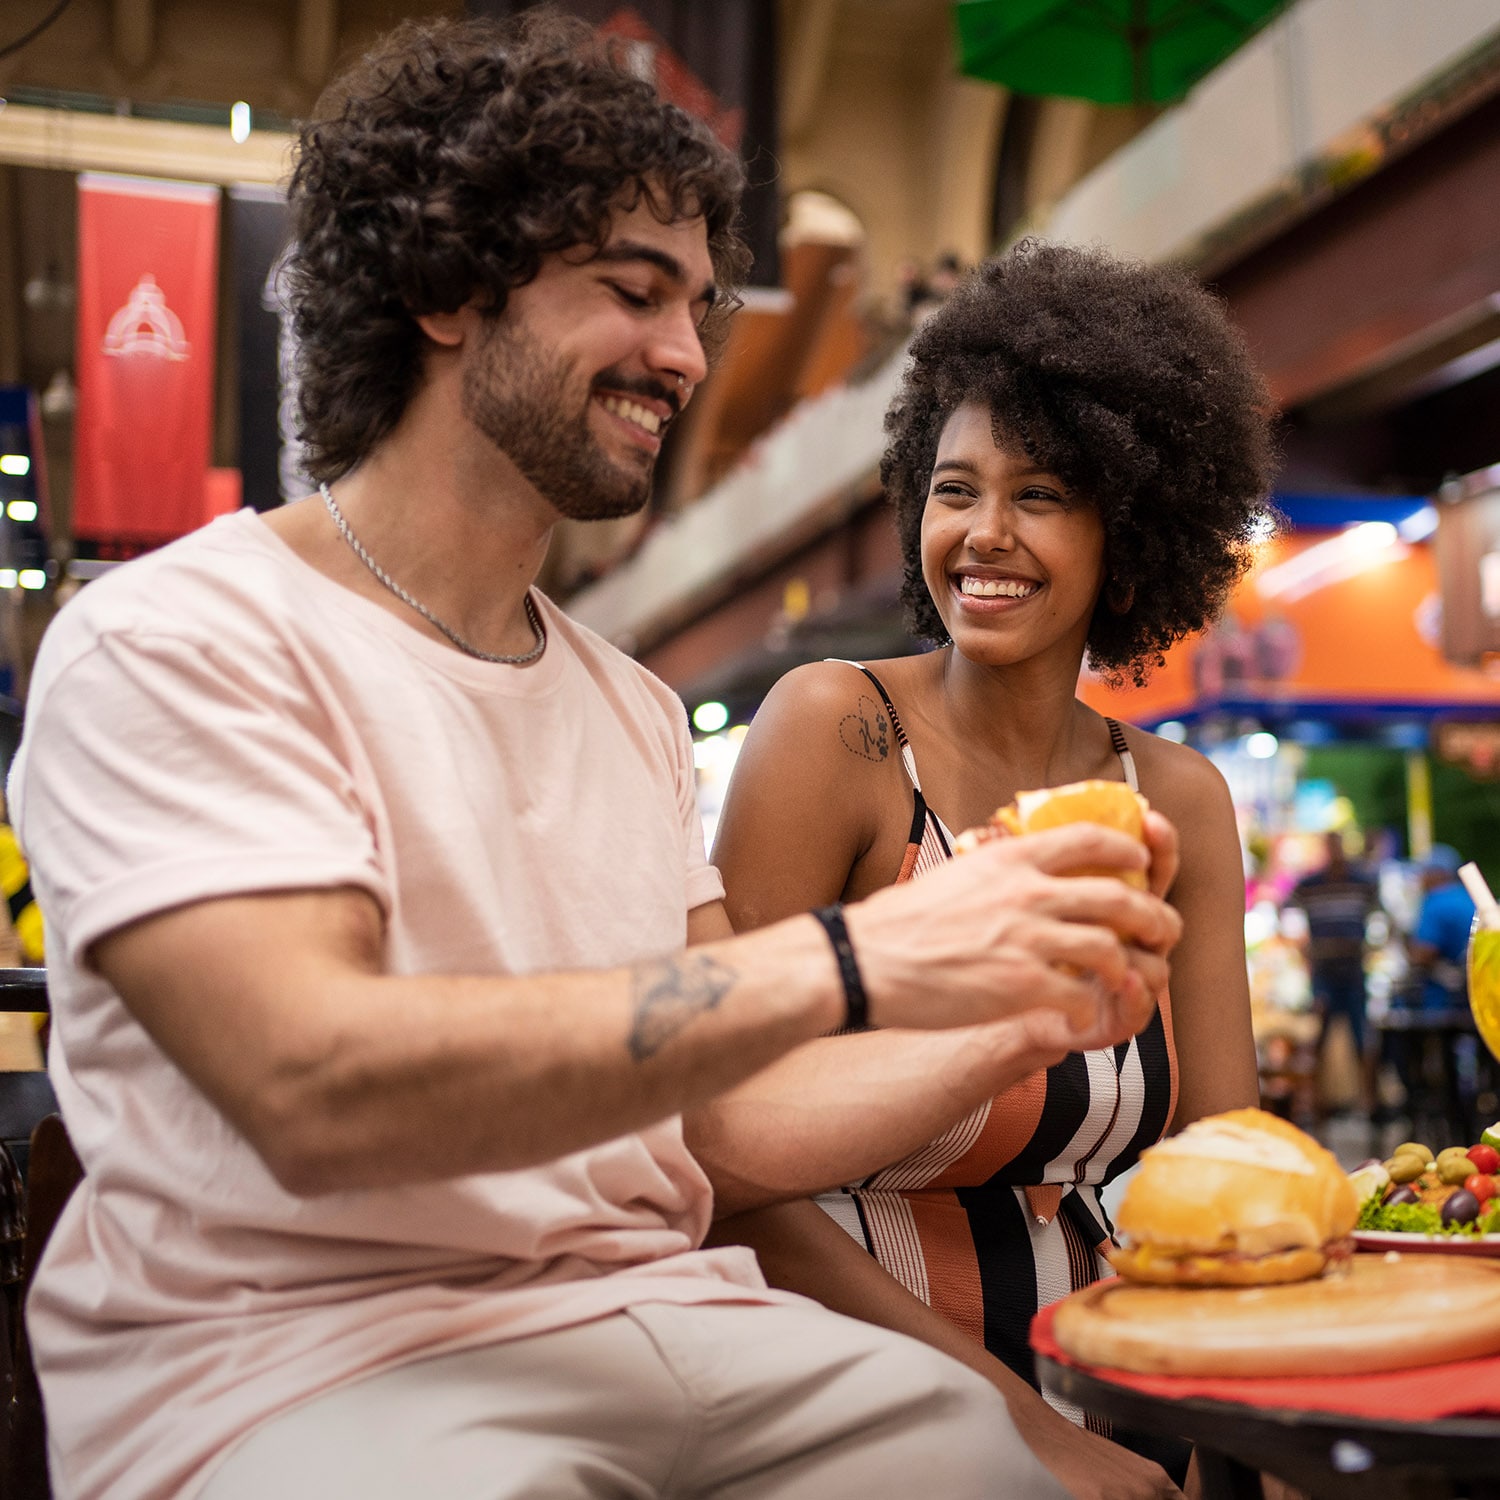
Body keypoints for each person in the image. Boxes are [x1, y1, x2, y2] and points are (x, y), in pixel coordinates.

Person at [8, 20, 1187, 1500]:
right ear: (444, 288)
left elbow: (716, 1130)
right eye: (633, 292)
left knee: (1005, 1475)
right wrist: (864, 956)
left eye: (700, 303)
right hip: (301, 1358)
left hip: (668, 1323)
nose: (688, 355)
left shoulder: (625, 705)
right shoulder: (178, 637)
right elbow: (311, 1081)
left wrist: (1023, 1004)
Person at [688, 243, 1274, 1499]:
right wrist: (1027, 1432)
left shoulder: (1177, 801)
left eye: (1044, 493)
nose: (985, 535)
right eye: (955, 489)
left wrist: (1255, 1422)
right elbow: (727, 1173)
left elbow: (1222, 1153)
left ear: (1133, 526)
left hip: (1124, 1382)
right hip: (853, 1393)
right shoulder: (835, 736)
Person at [1284, 829, 1382, 1111]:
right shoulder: (1309, 885)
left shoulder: (1363, 883)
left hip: (1353, 972)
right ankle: (1317, 1106)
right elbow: (1287, 913)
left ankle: (1369, 1102)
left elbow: (1380, 919)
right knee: (1317, 1039)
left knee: (1363, 1037)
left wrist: (1369, 946)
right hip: (1324, 973)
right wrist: (1302, 948)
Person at [1408, 844, 1476, 1012]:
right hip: (1475, 992)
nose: (1421, 878)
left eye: (1424, 872)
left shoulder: (1435, 902)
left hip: (1448, 999)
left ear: (1438, 874)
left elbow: (1423, 954)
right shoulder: (1466, 896)